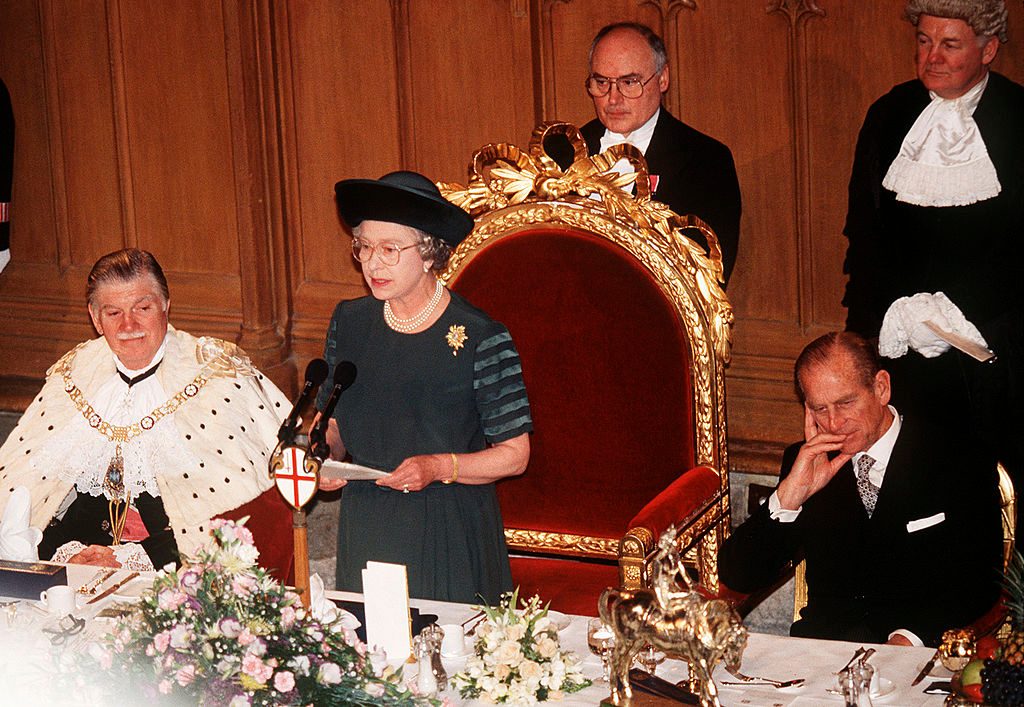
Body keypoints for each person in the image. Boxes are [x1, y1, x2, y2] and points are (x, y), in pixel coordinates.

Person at [0, 248, 291, 571]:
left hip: (177, 569)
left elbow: (238, 510)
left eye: (143, 308)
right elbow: (30, 493)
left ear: (165, 305)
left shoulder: (216, 374)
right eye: (113, 313)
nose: (129, 324)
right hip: (80, 559)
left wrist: (133, 558)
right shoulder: (74, 374)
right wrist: (66, 552)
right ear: (95, 318)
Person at [317, 170, 533, 604]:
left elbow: (515, 456)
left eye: (390, 249)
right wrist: (325, 457)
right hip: (368, 519)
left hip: (447, 524)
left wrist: (437, 467)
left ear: (430, 253)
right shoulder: (350, 321)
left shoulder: (480, 337)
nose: (373, 263)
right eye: (364, 247)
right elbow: (333, 420)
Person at [842, 0, 1024, 504]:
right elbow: (865, 232)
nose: (932, 58)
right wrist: (885, 324)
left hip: (993, 354)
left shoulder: (1018, 118)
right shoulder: (889, 113)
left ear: (988, 50)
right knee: (910, 491)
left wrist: (956, 314)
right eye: (924, 41)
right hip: (899, 344)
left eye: (950, 44)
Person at [718, 332, 1002, 647]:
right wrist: (790, 496)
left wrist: (911, 639)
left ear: (881, 388)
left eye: (845, 402)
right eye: (820, 409)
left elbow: (981, 581)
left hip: (920, 653)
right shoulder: (806, 463)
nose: (835, 422)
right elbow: (738, 576)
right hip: (825, 659)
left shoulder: (956, 455)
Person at [551, 22, 741, 285]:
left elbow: (710, 273)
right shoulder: (559, 152)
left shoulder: (707, 161)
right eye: (602, 82)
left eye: (629, 82)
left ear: (662, 79)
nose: (613, 99)